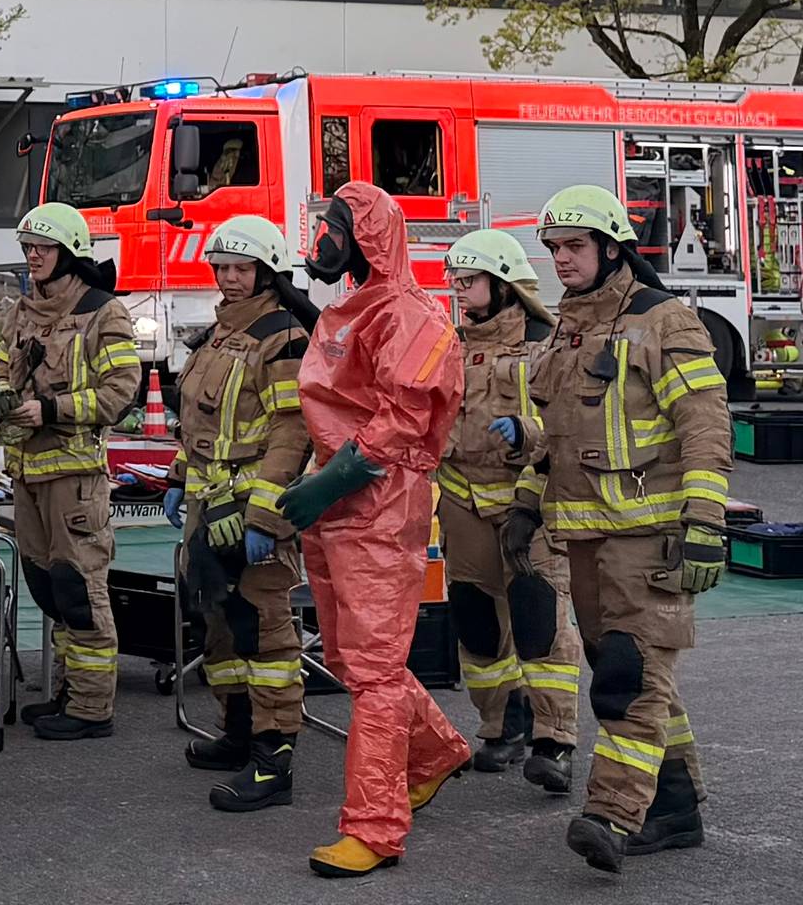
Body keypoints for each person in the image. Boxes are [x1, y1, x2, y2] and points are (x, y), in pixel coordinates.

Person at [528, 185, 732, 874]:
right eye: (554, 248)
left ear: (612, 248)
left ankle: (612, 815)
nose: (562, 259)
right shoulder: (567, 328)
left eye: (575, 246)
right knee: (638, 678)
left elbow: (704, 425)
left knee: (628, 680)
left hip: (650, 541)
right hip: (584, 542)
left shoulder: (662, 320)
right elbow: (556, 438)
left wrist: (705, 522)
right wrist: (528, 502)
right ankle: (673, 809)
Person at [274, 181, 471, 879]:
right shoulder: (350, 309)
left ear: (368, 235)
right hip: (340, 500)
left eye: (332, 227)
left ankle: (376, 829)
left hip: (380, 503)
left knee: (376, 673)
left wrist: (329, 482)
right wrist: (319, 487)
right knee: (356, 658)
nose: (321, 240)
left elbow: (402, 422)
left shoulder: (408, 315)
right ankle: (438, 750)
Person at [165, 214, 316, 812]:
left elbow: (292, 430)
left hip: (251, 508)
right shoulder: (222, 335)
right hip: (209, 503)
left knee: (266, 632)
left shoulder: (282, 336)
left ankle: (273, 756)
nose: (228, 278)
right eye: (221, 267)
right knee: (220, 626)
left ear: (266, 271)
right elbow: (201, 421)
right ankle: (235, 732)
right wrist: (181, 475)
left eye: (241, 268)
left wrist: (262, 515)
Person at [436, 229, 584, 792]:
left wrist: (527, 432)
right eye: (456, 279)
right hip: (461, 501)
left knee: (539, 621)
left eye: (468, 280)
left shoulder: (545, 345)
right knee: (475, 622)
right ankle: (502, 727)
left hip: (530, 505)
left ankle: (555, 742)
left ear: (503, 284)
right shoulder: (447, 345)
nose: (457, 288)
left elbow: (569, 424)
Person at [1, 201, 143, 742]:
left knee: (79, 586)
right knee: (47, 588)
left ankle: (91, 707)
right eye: (28, 247)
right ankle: (66, 690)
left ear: (71, 252)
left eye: (43, 247)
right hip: (26, 472)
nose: (33, 255)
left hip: (75, 476)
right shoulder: (18, 313)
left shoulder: (105, 312)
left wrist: (53, 410)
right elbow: (0, 373)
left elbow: (120, 392)